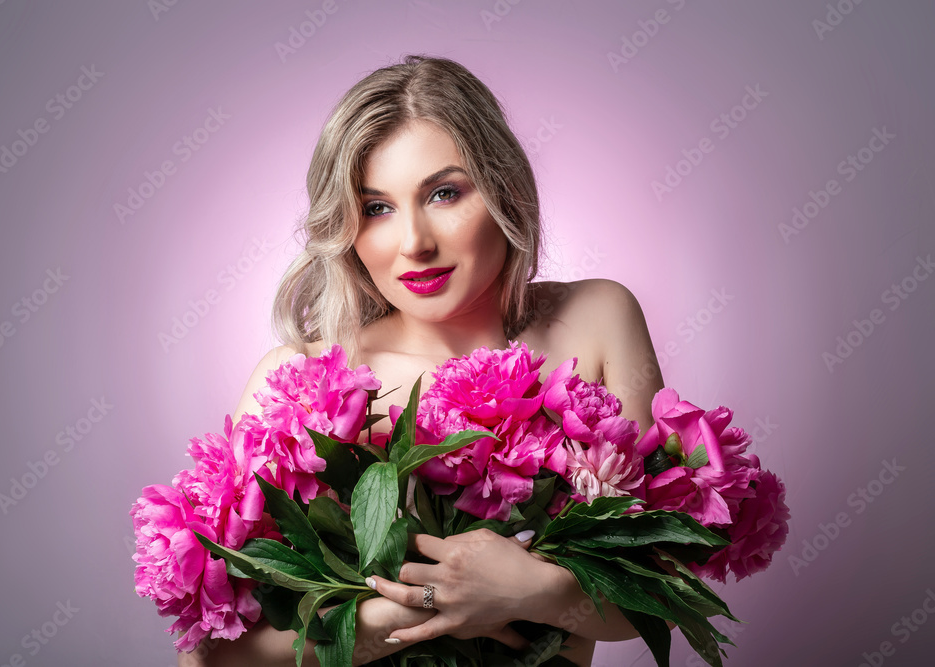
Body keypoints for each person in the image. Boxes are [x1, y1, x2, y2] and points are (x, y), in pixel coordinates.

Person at [180, 54, 669, 667]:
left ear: (505, 188)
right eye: (376, 207)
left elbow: (665, 591)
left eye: (444, 193)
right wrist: (380, 623)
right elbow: (211, 658)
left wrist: (533, 591)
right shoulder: (302, 383)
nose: (414, 242)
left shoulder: (597, 319)